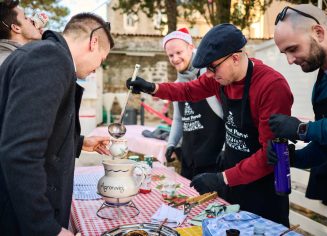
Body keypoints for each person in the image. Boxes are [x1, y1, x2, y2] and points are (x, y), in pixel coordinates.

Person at [127, 23, 293, 226]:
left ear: (235, 57)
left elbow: (269, 155)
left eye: (212, 68)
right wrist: (152, 87)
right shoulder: (220, 77)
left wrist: (222, 178)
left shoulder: (271, 87)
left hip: (263, 190)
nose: (208, 75)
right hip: (235, 182)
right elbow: (187, 90)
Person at [0, 12, 114, 235]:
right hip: (18, 220)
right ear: (93, 42)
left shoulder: (43, 55)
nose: (96, 70)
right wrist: (47, 227)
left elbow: (27, 128)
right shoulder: (51, 57)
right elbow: (20, 152)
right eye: (101, 60)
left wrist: (80, 143)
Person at [269, 4, 327, 205]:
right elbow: (324, 148)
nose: (289, 60)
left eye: (293, 49)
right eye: (284, 53)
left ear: (318, 32)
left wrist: (301, 129)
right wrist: (291, 157)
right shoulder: (322, 81)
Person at [162, 28, 225, 180]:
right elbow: (179, 119)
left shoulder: (209, 76)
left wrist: (225, 149)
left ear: (191, 48)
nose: (175, 59)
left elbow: (226, 115)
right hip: (189, 161)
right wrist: (172, 144)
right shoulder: (178, 84)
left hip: (214, 162)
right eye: (171, 55)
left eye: (179, 53)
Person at [0, 0, 43, 65]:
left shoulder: (14, 57)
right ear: (16, 28)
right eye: (25, 18)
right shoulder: (17, 62)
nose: (31, 19)